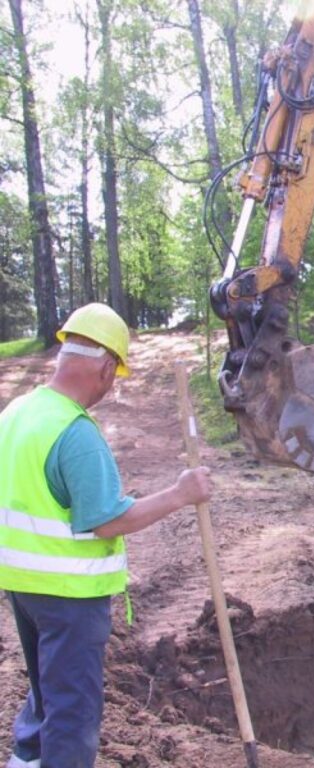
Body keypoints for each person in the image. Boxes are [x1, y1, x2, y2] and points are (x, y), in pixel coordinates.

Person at [0, 303, 213, 768]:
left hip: (22, 583)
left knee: (46, 692)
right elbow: (107, 521)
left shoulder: (19, 411)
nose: (111, 385)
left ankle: (25, 761)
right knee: (72, 712)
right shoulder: (74, 432)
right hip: (68, 593)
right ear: (103, 367)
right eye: (114, 374)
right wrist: (180, 494)